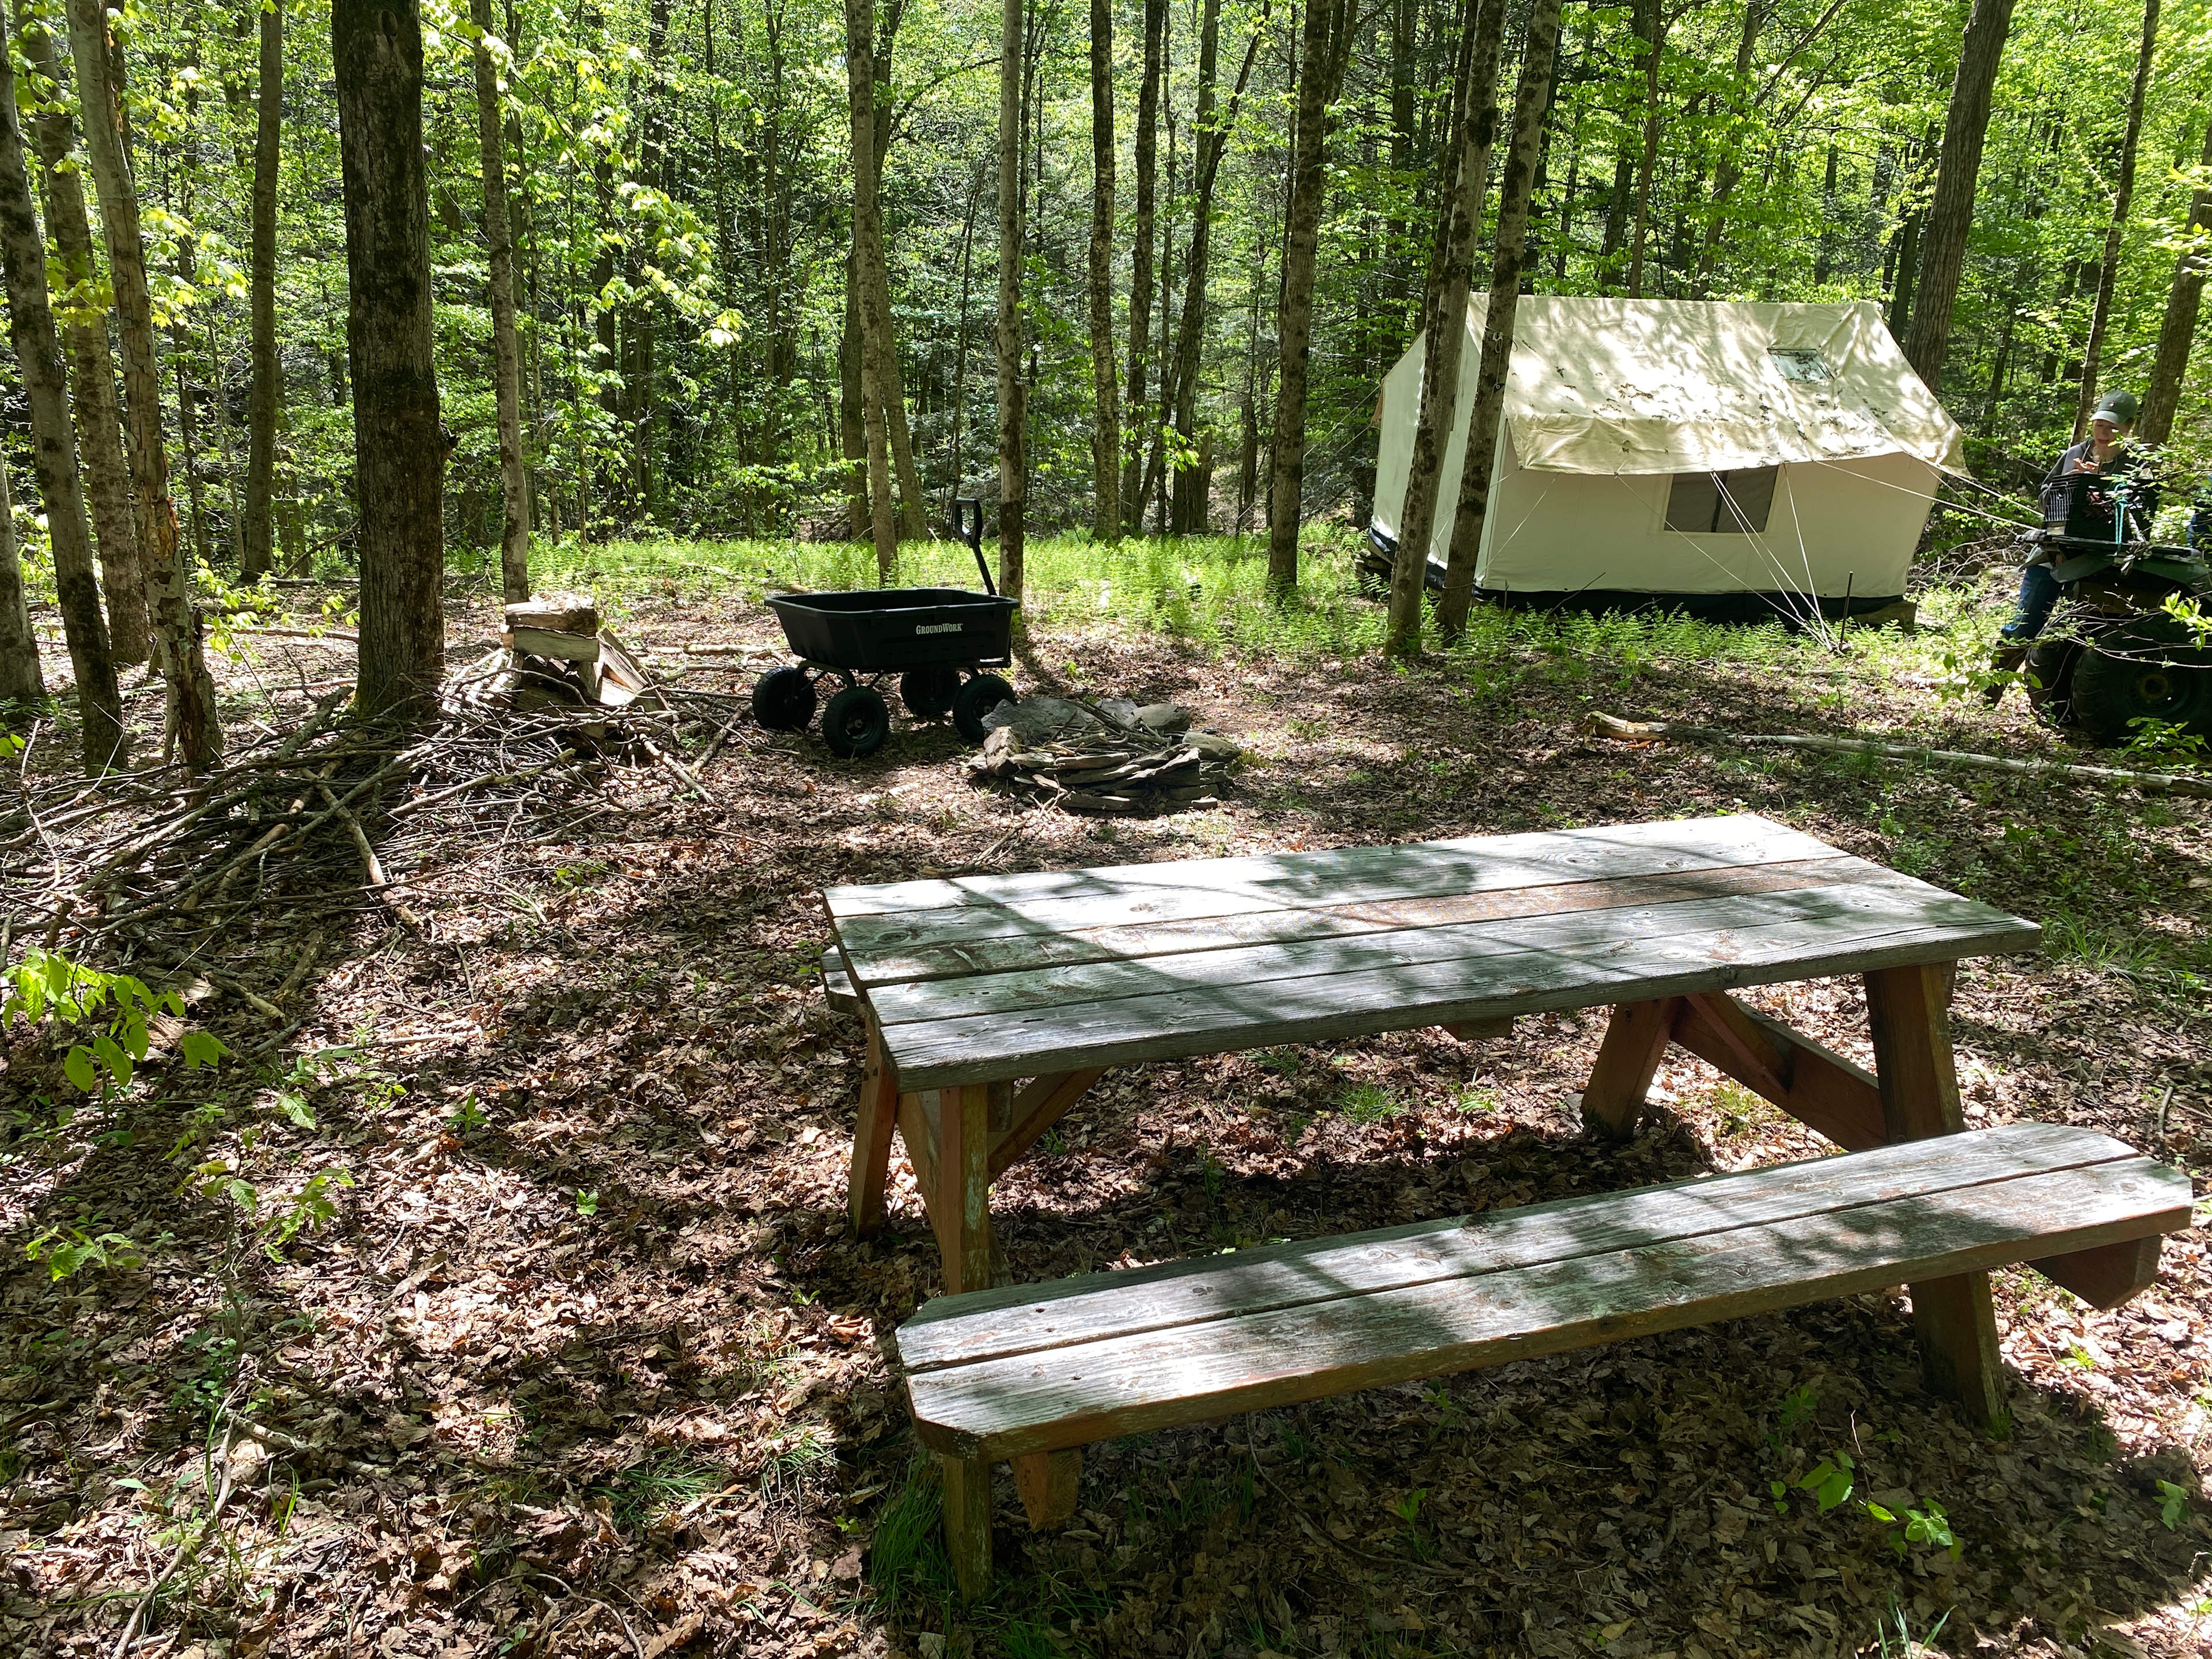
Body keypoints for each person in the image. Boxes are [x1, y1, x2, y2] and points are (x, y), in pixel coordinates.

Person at [2001, 389, 2146, 647]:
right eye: (2099, 426)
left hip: (2104, 559)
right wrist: (2071, 484)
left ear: (2128, 427)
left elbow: (2139, 515)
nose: (2103, 434)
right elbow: (2045, 498)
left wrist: (2098, 488)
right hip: (2054, 551)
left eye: (2111, 428)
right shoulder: (2074, 454)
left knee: (2086, 632)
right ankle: (1998, 677)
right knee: (2025, 623)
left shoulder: (2136, 464)